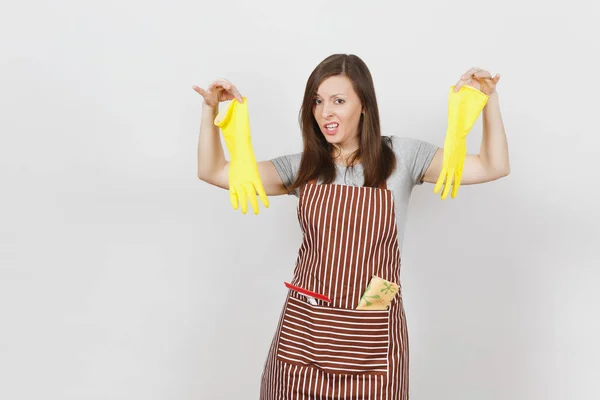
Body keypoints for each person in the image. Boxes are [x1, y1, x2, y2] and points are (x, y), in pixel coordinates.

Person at [193, 54, 509, 400]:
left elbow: (493, 166)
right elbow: (213, 171)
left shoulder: (403, 158)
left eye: (338, 101)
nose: (325, 112)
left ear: (364, 106)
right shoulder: (304, 167)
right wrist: (211, 113)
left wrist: (488, 100)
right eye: (317, 101)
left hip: (373, 338)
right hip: (304, 338)